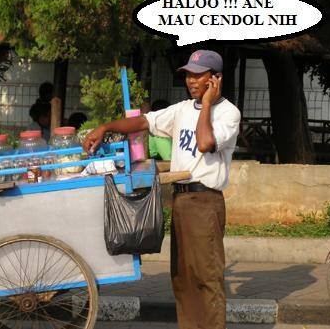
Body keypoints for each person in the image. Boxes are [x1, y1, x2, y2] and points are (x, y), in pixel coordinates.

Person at [83, 50, 241, 329]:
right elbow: (145, 121)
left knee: (207, 276)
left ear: (215, 79)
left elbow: (205, 142)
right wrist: (105, 127)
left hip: (205, 201)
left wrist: (206, 104)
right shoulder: (180, 110)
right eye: (188, 75)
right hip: (181, 200)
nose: (191, 81)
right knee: (183, 277)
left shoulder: (228, 113)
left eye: (198, 75)